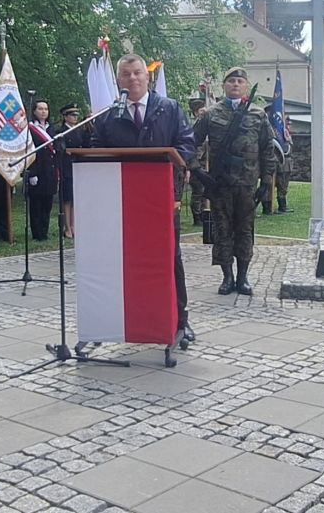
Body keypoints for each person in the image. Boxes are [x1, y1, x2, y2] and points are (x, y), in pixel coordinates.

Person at [92, 54, 196, 343]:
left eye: (137, 73)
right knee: (128, 260)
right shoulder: (110, 114)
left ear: (147, 77)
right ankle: (131, 318)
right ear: (118, 80)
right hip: (122, 201)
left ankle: (180, 321)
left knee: (169, 258)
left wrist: (171, 164)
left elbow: (187, 146)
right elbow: (96, 149)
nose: (133, 79)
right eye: (126, 74)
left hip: (162, 198)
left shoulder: (170, 108)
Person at [192, 67, 276, 295]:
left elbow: (268, 148)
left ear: (246, 86)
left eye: (240, 81)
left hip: (247, 184)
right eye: (231, 81)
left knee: (245, 230)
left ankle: (243, 277)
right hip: (220, 184)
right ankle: (227, 277)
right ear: (224, 86)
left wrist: (267, 181)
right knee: (222, 229)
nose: (235, 85)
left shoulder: (258, 115)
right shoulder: (210, 114)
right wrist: (197, 171)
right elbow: (190, 143)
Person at [57, 103, 90, 238]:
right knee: (67, 199)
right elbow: (61, 149)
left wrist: (89, 127)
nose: (75, 117)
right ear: (65, 117)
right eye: (72, 115)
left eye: (76, 115)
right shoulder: (61, 131)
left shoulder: (79, 130)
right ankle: (67, 227)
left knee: (75, 199)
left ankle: (73, 225)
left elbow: (86, 144)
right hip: (66, 167)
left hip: (78, 166)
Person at [25, 99, 56, 241]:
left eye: (46, 109)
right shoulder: (30, 129)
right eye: (40, 109)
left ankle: (45, 230)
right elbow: (29, 151)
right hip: (37, 169)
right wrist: (32, 172)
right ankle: (36, 232)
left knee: (47, 203)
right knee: (36, 203)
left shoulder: (51, 129)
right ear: (34, 111)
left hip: (50, 170)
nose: (43, 112)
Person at [187, 98, 208, 226]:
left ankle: (204, 213)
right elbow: (194, 148)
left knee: (205, 192)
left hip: (206, 165)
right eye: (201, 110)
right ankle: (197, 216)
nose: (204, 112)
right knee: (198, 191)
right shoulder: (194, 127)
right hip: (197, 166)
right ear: (196, 112)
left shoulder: (207, 124)